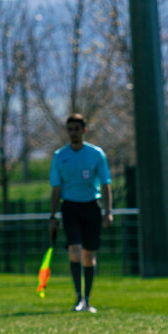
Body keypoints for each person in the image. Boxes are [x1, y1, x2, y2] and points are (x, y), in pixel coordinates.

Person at [49, 113, 113, 313]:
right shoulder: (60, 156)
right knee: (75, 251)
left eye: (77, 129)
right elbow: (56, 188)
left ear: (83, 131)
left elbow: (106, 184)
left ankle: (87, 299)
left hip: (91, 207)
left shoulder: (96, 154)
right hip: (70, 207)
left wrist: (108, 211)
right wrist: (52, 216)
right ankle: (78, 298)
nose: (73, 133)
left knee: (89, 255)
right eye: (70, 130)